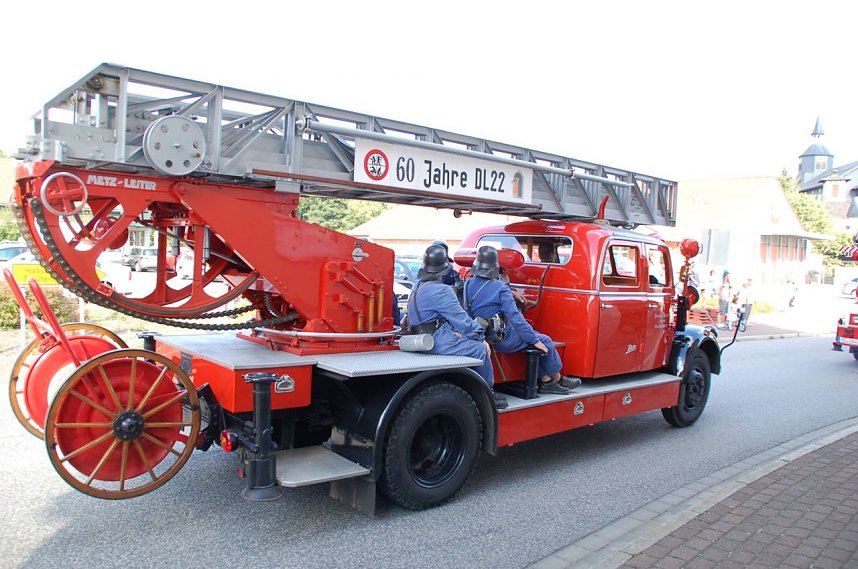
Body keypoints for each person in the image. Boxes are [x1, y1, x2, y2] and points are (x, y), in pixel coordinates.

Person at [463, 245, 581, 395]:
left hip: (481, 335)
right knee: (544, 341)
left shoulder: (468, 284)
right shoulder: (500, 288)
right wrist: (533, 339)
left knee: (531, 339)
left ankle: (545, 379)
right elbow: (516, 318)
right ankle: (557, 379)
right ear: (495, 266)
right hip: (501, 338)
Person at [407, 244, 508, 409]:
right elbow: (462, 321)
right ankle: (487, 395)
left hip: (420, 338)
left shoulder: (417, 287)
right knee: (479, 350)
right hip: (436, 340)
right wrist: (480, 338)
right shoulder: (441, 290)